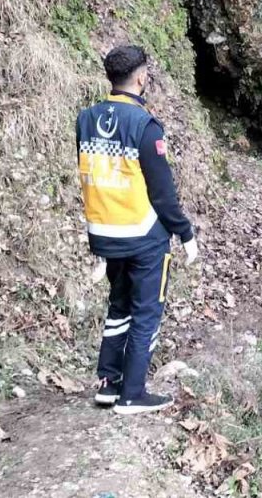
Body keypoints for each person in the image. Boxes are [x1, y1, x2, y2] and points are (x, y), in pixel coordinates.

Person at [76, 45, 199, 415]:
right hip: (143, 235)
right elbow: (162, 193)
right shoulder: (145, 126)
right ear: (142, 77)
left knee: (119, 306)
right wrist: (185, 233)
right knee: (146, 312)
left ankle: (108, 384)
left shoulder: (86, 119)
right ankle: (132, 394)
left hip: (105, 232)